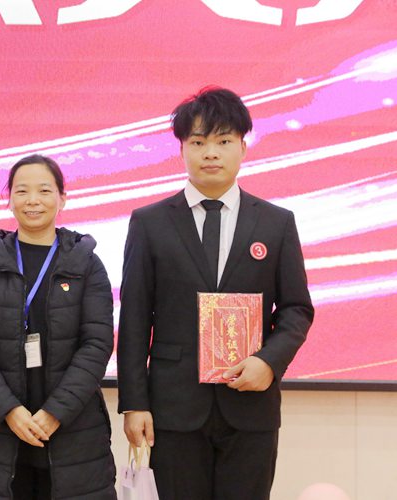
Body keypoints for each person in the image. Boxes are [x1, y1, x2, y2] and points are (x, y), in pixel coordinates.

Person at [117, 87, 314, 500]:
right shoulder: (149, 223)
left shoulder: (276, 223)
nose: (210, 153)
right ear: (181, 150)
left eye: (223, 142)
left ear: (243, 147)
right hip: (174, 408)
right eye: (198, 142)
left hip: (251, 407)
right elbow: (134, 318)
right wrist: (134, 403)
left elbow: (296, 309)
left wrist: (268, 362)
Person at [0, 154, 117, 499]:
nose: (32, 200)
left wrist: (56, 412)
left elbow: (97, 344)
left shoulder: (87, 265)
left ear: (62, 198)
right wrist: (9, 410)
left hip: (74, 431)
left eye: (44, 190)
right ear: (9, 199)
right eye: (22, 191)